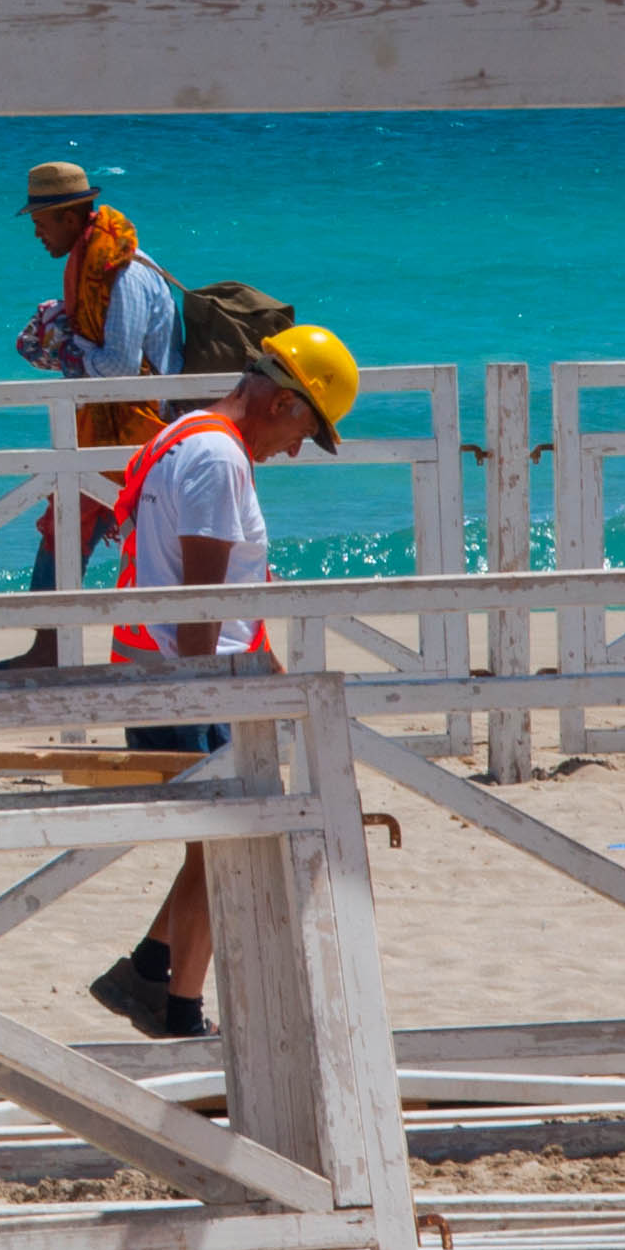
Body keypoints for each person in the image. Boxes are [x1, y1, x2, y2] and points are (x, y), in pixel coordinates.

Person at [85, 322, 360, 1040]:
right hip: (185, 678)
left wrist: (266, 673)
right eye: (307, 431)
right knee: (230, 839)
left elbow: (213, 592)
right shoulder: (216, 457)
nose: (295, 448)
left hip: (166, 671)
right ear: (283, 405)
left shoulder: (193, 438)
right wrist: (213, 688)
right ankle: (172, 1004)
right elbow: (199, 602)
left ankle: (151, 977)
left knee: (215, 844)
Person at [0, 159, 184, 671]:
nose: (37, 234)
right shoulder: (90, 266)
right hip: (107, 429)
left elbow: (117, 367)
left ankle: (163, 654)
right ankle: (48, 650)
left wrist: (62, 348)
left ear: (70, 217)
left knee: (146, 546)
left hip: (143, 433)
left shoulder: (123, 272)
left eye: (41, 223)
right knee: (61, 526)